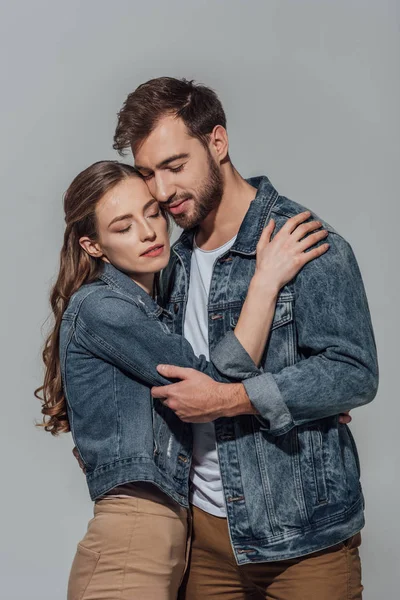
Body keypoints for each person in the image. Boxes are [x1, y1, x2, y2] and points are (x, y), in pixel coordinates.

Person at [112, 77, 379, 599]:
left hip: (304, 539)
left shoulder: (304, 242)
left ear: (217, 143)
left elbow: (354, 372)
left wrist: (233, 399)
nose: (162, 191)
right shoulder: (169, 259)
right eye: (148, 173)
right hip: (204, 534)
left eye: (174, 166)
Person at [35, 160, 329, 600]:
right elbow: (209, 383)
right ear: (92, 246)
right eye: (123, 227)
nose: (150, 232)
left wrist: (304, 400)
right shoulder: (105, 309)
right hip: (132, 541)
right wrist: (265, 282)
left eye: (152, 213)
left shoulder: (156, 298)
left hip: (166, 536)